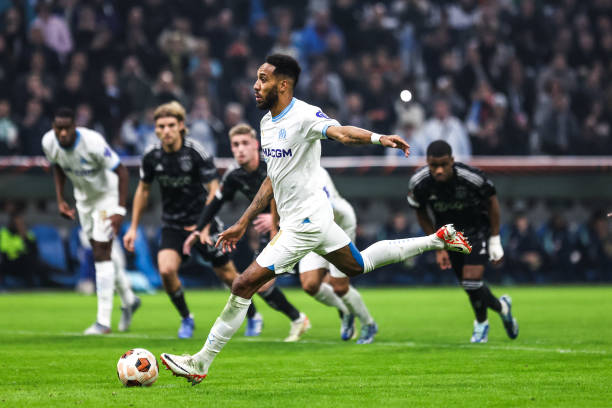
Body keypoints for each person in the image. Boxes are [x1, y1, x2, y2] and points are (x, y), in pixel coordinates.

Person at [160, 54, 471, 384]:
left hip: (304, 224)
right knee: (358, 265)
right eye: (256, 78)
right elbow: (272, 180)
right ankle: (437, 239)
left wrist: (379, 138)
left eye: (263, 79)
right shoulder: (266, 123)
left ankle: (200, 362)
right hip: (313, 219)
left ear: (283, 84)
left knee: (243, 284)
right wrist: (243, 221)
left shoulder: (305, 115)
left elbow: (342, 133)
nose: (255, 85)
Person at [183, 124, 366, 342]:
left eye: (244, 143)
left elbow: (291, 190)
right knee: (280, 285)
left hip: (303, 222)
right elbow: (216, 201)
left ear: (256, 145)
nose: (240, 149)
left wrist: (274, 219)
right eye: (235, 145)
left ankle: (348, 317)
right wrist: (199, 229)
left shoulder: (273, 163)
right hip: (277, 231)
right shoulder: (234, 174)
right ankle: (303, 318)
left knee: (336, 280)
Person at [123, 102, 263, 339]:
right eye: (161, 126)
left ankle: (253, 315)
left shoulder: (196, 152)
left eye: (171, 125)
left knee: (229, 276)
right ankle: (186, 318)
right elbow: (143, 190)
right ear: (156, 129)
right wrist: (133, 228)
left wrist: (203, 226)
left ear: (181, 126)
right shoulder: (151, 156)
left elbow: (214, 191)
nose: (166, 131)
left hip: (202, 222)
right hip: (173, 225)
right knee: (166, 270)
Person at [407, 140, 519, 343]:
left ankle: (481, 325)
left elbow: (492, 201)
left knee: (471, 281)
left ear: (452, 160)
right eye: (434, 165)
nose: (439, 170)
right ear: (427, 162)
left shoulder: (471, 178)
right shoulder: (419, 183)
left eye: (444, 164)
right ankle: (503, 308)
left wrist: (495, 239)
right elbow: (420, 212)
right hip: (449, 237)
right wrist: (438, 246)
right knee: (469, 286)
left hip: (477, 231)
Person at [42, 107, 140, 335]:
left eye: (67, 128)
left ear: (75, 126)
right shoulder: (49, 142)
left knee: (101, 253)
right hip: (83, 201)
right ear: (54, 128)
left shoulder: (93, 142)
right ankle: (129, 298)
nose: (62, 133)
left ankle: (103, 321)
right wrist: (60, 199)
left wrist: (119, 210)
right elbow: (58, 166)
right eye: (58, 129)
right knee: (100, 250)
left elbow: (122, 172)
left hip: (107, 197)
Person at [296, 166, 377, 343]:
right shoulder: (286, 169)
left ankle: (368, 323)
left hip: (338, 223)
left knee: (340, 286)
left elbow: (326, 207)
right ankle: (346, 310)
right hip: (313, 226)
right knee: (310, 285)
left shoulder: (315, 171)